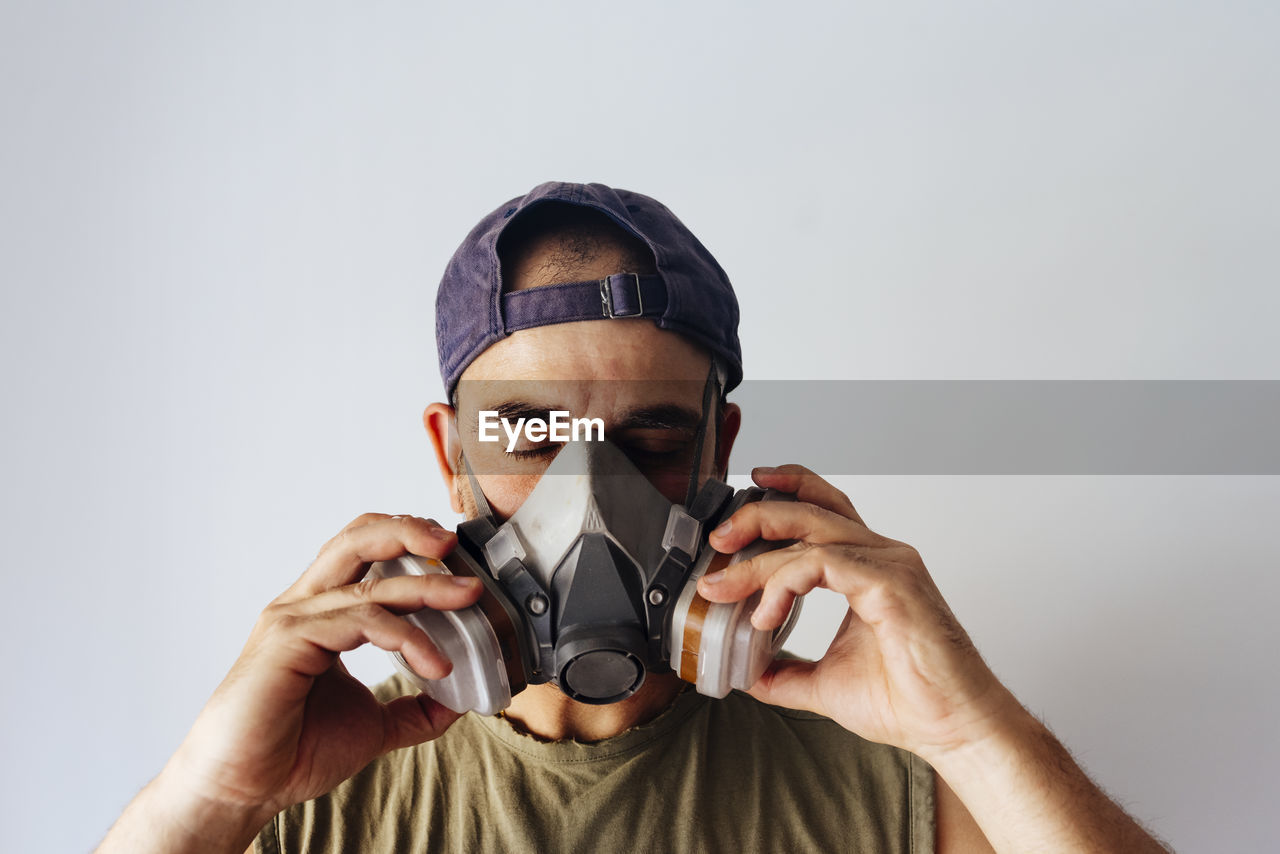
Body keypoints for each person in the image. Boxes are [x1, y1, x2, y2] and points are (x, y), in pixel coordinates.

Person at [98, 182, 1168, 853]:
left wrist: (970, 729)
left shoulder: (878, 786)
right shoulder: (311, 785)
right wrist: (211, 795)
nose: (587, 492)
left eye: (649, 437)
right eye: (527, 433)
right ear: (448, 453)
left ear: (719, 448)